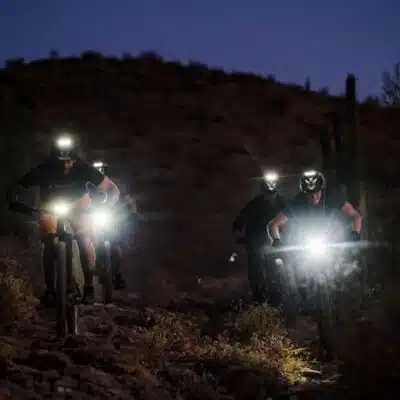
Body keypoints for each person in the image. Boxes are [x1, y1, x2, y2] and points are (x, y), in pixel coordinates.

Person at [7, 135, 120, 307]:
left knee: (84, 238)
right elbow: (17, 186)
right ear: (53, 159)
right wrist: (13, 201)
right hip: (51, 206)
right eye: (61, 162)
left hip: (79, 204)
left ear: (75, 159)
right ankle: (50, 290)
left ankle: (89, 286)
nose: (65, 165)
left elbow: (112, 189)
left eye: (69, 161)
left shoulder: (84, 168)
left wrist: (105, 206)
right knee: (49, 241)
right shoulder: (43, 169)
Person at [268, 170, 363, 247]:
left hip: (334, 240)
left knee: (350, 260)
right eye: (310, 194)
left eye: (317, 192)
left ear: (322, 189)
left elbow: (356, 216)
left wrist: (355, 233)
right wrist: (276, 240)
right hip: (307, 244)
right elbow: (273, 224)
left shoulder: (333, 197)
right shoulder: (298, 202)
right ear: (304, 193)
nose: (314, 197)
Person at [232, 172, 286, 304]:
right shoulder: (254, 204)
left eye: (273, 194)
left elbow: (294, 218)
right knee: (256, 269)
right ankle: (259, 300)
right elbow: (240, 221)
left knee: (285, 267)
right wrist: (238, 233)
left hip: (277, 243)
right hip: (257, 243)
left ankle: (281, 297)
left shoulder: (283, 204)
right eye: (268, 194)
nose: (271, 196)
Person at [92, 161, 138, 290]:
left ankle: (117, 273)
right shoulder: (87, 185)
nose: (99, 172)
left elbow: (129, 200)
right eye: (96, 170)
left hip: (114, 218)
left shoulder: (115, 184)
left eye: (101, 170)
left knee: (116, 245)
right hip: (92, 219)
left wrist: (133, 214)